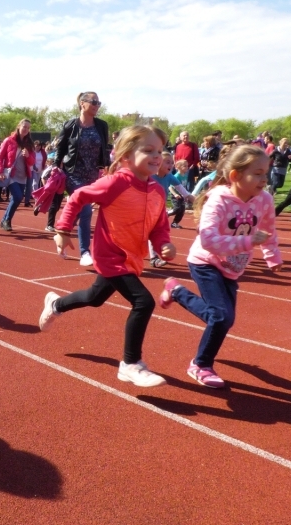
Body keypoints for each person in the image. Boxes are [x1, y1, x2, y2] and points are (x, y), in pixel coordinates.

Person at [41, 125, 175, 387]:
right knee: (143, 302)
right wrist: (63, 229)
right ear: (126, 156)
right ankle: (130, 364)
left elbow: (159, 227)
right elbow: (78, 196)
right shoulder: (115, 183)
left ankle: (55, 305)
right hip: (111, 255)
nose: (157, 156)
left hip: (132, 257)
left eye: (159, 151)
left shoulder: (158, 191)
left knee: (95, 297)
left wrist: (163, 245)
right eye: (148, 150)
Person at [160, 145, 282, 388]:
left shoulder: (264, 200)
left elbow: (268, 229)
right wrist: (248, 241)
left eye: (266, 173)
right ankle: (201, 364)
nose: (264, 179)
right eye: (257, 174)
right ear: (235, 175)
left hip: (233, 266)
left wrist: (272, 254)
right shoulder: (218, 199)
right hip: (205, 261)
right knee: (221, 317)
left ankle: (177, 291)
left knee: (223, 318)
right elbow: (208, 240)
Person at [47, 91, 110, 267]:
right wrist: (55, 165)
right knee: (86, 210)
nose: (97, 105)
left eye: (99, 103)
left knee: (77, 210)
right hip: (73, 174)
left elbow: (105, 148)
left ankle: (61, 235)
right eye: (94, 102)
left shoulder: (102, 125)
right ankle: (85, 252)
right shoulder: (70, 125)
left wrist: (107, 166)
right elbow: (61, 148)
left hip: (92, 175)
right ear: (82, 103)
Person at [0, 119, 35, 231]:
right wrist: (0, 171)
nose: (26, 129)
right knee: (18, 196)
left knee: (16, 199)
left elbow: (32, 162)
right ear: (19, 126)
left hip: (23, 175)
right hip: (11, 174)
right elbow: (0, 157)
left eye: (28, 128)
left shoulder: (29, 143)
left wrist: (28, 156)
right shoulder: (9, 140)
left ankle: (4, 220)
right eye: (24, 126)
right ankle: (7, 220)